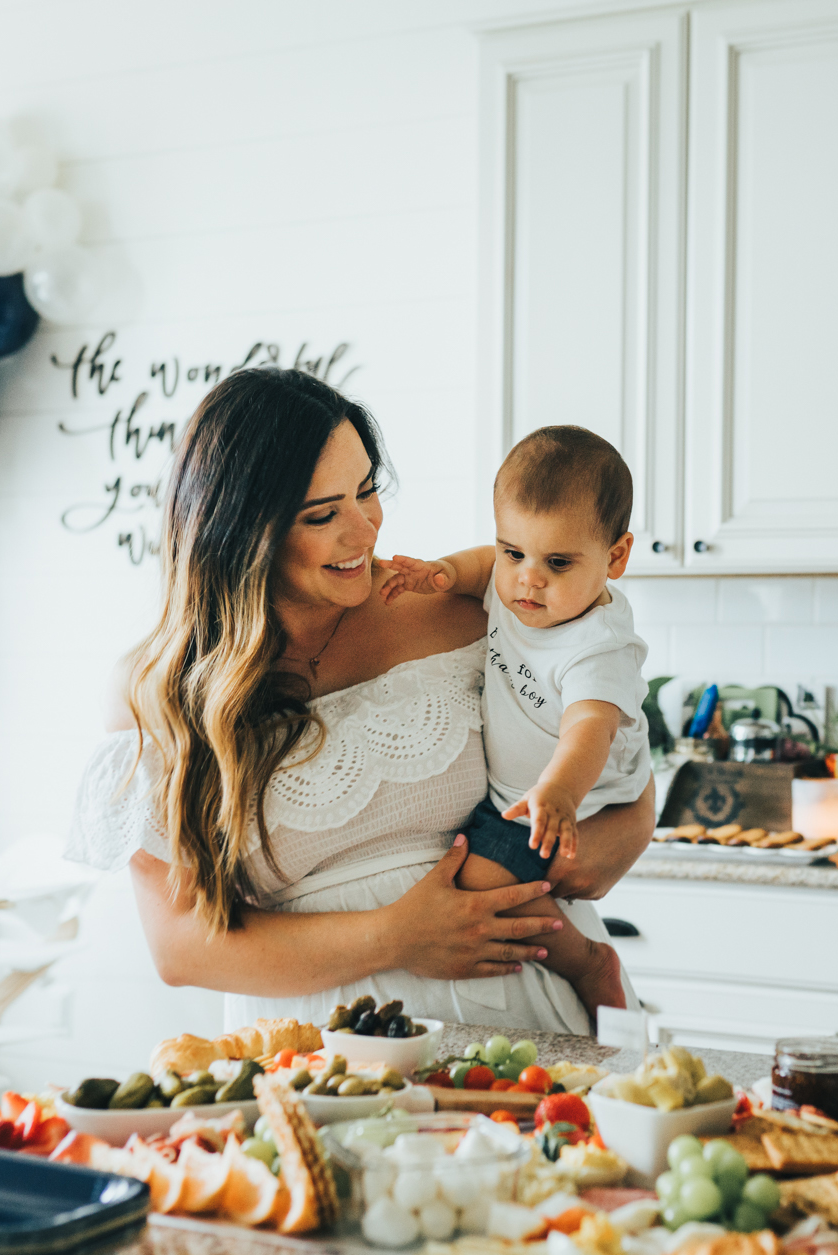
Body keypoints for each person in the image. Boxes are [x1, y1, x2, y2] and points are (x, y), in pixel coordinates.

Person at [65, 368, 652, 1034]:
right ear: (240, 532)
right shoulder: (157, 690)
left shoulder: (456, 608)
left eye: (368, 490)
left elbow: (618, 777)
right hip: (312, 1057)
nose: (365, 529)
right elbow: (180, 947)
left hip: (524, 1021)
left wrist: (609, 840)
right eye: (323, 515)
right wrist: (396, 936)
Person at [379, 425, 644, 1018]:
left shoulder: (597, 646)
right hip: (521, 796)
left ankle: (585, 961)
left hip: (575, 796)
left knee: (481, 892)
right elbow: (481, 567)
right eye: (513, 552)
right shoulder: (520, 587)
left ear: (617, 557)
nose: (528, 577)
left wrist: (558, 792)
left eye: (556, 561)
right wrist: (444, 572)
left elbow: (588, 730)